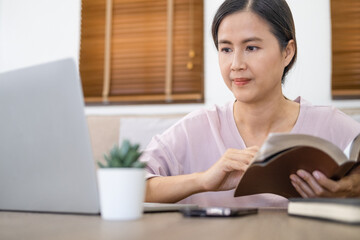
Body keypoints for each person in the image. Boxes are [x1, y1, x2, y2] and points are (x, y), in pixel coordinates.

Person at [140, 0, 360, 208]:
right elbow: (133, 186)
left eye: (251, 47)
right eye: (226, 49)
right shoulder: (194, 129)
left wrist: (348, 188)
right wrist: (203, 181)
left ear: (287, 52)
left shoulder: (330, 124)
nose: (236, 64)